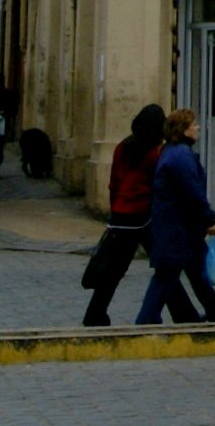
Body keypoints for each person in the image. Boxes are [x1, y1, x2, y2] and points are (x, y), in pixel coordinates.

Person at [135, 108, 215, 325]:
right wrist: (209, 219)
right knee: (167, 275)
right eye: (193, 125)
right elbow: (193, 193)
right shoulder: (180, 156)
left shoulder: (171, 152)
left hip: (179, 226)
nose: (197, 128)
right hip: (177, 228)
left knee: (196, 271)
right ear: (182, 130)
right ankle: (146, 319)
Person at [83, 104, 165, 326]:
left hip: (121, 215)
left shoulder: (123, 147)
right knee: (166, 267)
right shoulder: (154, 153)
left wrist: (114, 210)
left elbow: (114, 183)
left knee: (113, 271)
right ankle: (184, 312)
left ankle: (94, 314)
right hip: (143, 216)